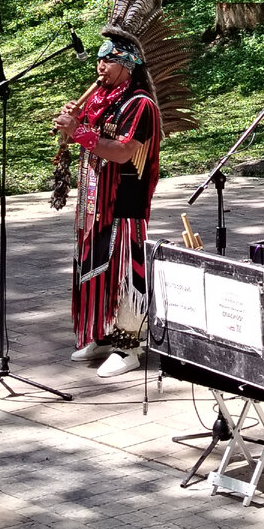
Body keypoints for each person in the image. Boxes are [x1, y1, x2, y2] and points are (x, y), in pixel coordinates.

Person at [54, 37, 160, 378]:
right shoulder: (99, 100)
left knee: (126, 273)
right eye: (98, 60)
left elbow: (122, 151)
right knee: (93, 268)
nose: (100, 67)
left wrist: (81, 132)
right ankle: (101, 332)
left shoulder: (140, 104)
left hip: (125, 205)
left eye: (109, 61)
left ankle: (129, 344)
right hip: (92, 203)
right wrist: (68, 126)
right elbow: (74, 139)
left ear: (128, 65)